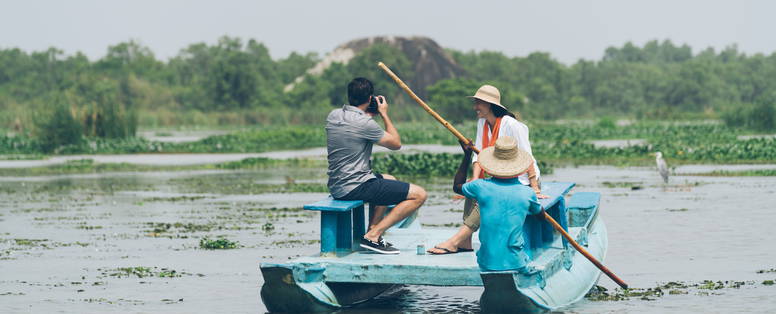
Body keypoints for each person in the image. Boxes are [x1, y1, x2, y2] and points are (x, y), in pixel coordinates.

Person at [429, 84, 546, 255]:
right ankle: (465, 242)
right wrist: (475, 181)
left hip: (523, 178)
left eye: (479, 103)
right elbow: (479, 155)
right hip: (500, 174)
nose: (475, 107)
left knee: (485, 195)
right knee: (474, 188)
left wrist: (534, 187)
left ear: (490, 105)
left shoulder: (511, 125)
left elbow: (527, 156)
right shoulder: (482, 123)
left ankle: (455, 240)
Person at [326, 77, 428, 254]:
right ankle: (374, 235)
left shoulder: (334, 115)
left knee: (387, 178)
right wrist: (384, 114)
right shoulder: (365, 124)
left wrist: (370, 114)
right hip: (355, 187)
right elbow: (396, 144)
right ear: (370, 98)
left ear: (350, 96)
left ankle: (372, 230)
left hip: (337, 186)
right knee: (419, 195)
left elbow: (354, 129)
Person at [452, 136, 542, 271]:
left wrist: (467, 156)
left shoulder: (480, 186)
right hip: (516, 262)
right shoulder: (528, 193)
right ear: (522, 169)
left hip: (486, 262)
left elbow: (457, 186)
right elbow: (540, 216)